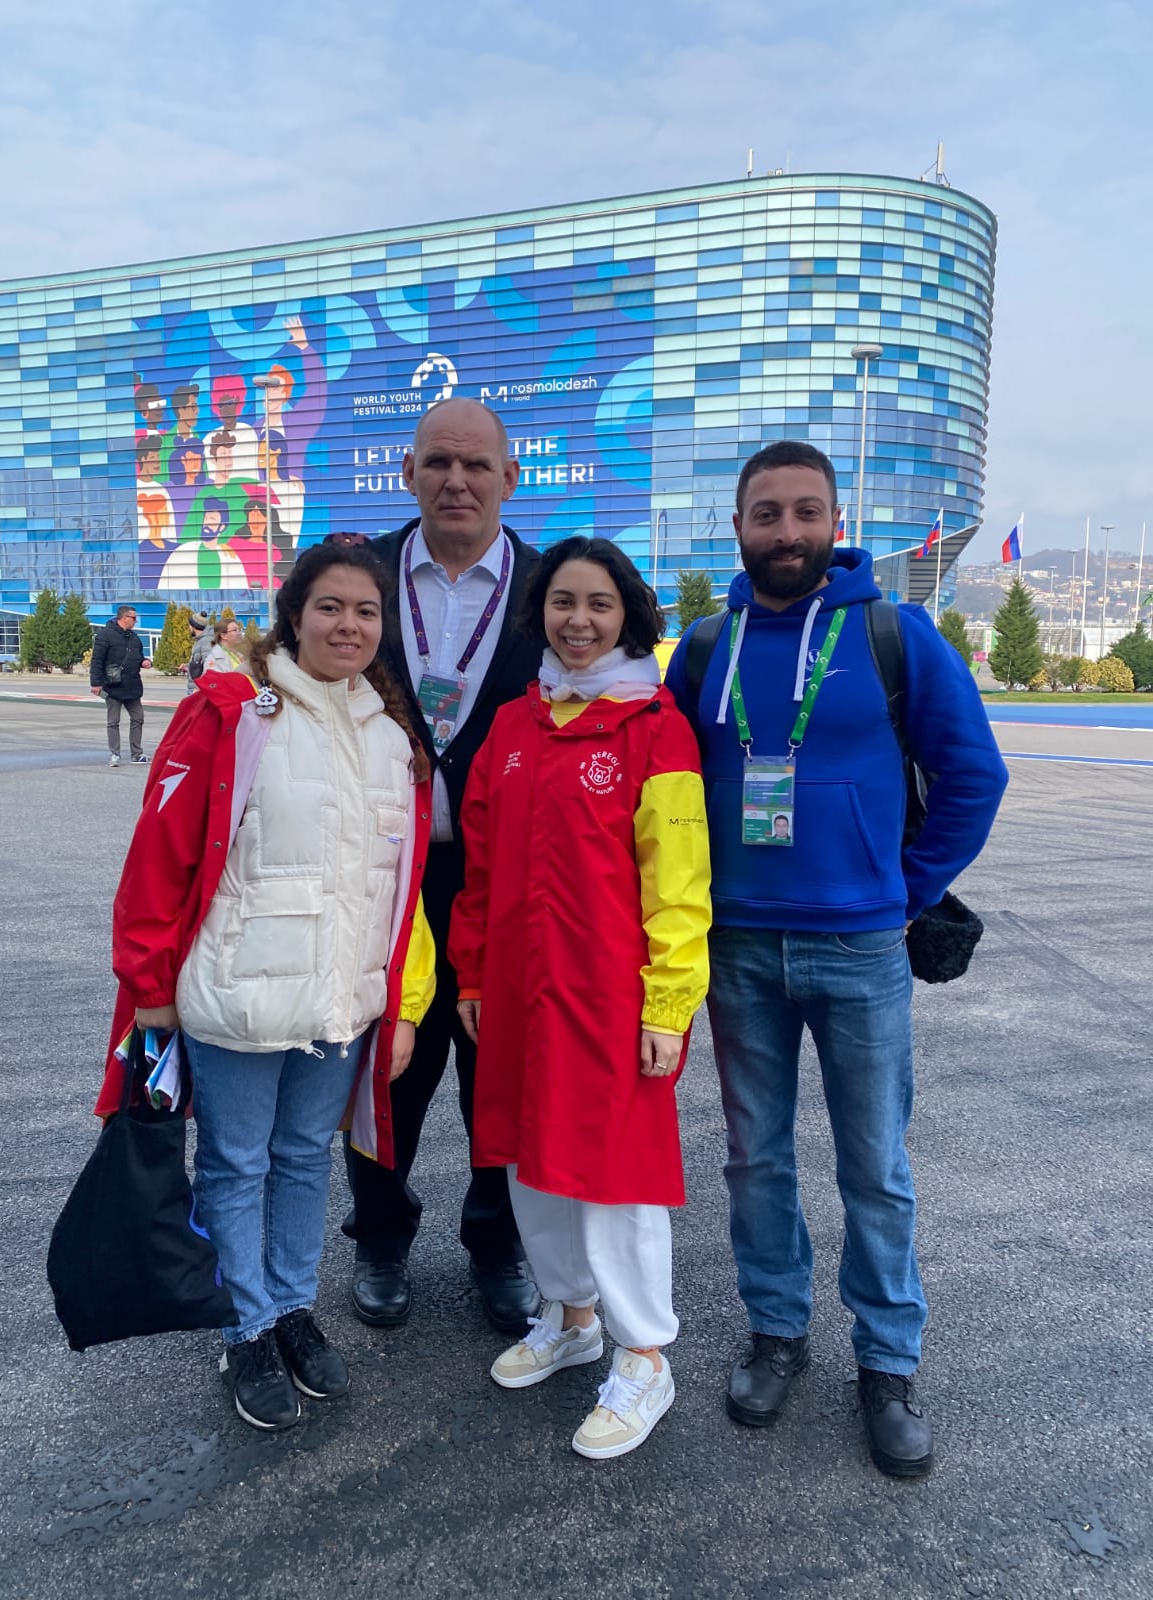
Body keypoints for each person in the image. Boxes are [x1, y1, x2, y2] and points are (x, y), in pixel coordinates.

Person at [665, 440, 1009, 1478]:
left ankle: (888, 1362)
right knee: (755, 1156)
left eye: (805, 512)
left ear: (834, 523)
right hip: (737, 945)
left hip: (861, 945)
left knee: (874, 1165)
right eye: (767, 513)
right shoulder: (705, 648)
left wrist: (906, 889)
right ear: (738, 527)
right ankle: (777, 1331)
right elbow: (666, 792)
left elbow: (974, 774)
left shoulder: (894, 635)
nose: (787, 532)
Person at [97, 541, 437, 1432]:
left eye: (366, 611)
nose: (349, 625)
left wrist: (400, 1002)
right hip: (238, 995)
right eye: (331, 607)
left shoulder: (391, 738)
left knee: (303, 1159)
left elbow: (397, 892)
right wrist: (149, 986)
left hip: (338, 1003)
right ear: (294, 615)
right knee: (236, 1164)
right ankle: (244, 1327)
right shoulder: (234, 712)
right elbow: (161, 854)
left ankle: (291, 1307)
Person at [448, 537, 711, 1459]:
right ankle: (572, 1318)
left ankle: (645, 1357)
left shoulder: (656, 728)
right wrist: (472, 972)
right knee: (530, 1159)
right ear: (541, 613)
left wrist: (668, 1004)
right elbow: (480, 870)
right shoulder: (513, 729)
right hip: (519, 990)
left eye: (600, 603)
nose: (579, 620)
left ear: (628, 616)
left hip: (610, 997)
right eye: (563, 601)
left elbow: (679, 883)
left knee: (614, 1176)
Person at [341, 397, 545, 1338]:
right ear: (409, 473)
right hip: (384, 876)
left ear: (510, 477)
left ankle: (497, 1241)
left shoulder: (551, 589)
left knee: (500, 1069)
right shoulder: (360, 579)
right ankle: (380, 1235)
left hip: (508, 880)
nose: (456, 481)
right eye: (437, 463)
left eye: (476, 465)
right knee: (385, 1067)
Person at [89, 606, 151, 767]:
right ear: (123, 618)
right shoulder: (105, 635)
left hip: (132, 685)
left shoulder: (134, 637)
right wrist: (95, 683)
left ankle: (136, 754)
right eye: (133, 618)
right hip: (112, 686)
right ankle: (115, 754)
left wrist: (145, 661)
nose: (136, 621)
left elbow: (138, 656)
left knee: (138, 718)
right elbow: (96, 661)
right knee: (113, 721)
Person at [186, 611, 213, 690]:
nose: (188, 628)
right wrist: (188, 667)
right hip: (195, 687)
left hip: (198, 689)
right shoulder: (200, 640)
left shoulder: (206, 641)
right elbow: (200, 663)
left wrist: (199, 688)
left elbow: (209, 667)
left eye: (189, 625)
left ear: (194, 627)